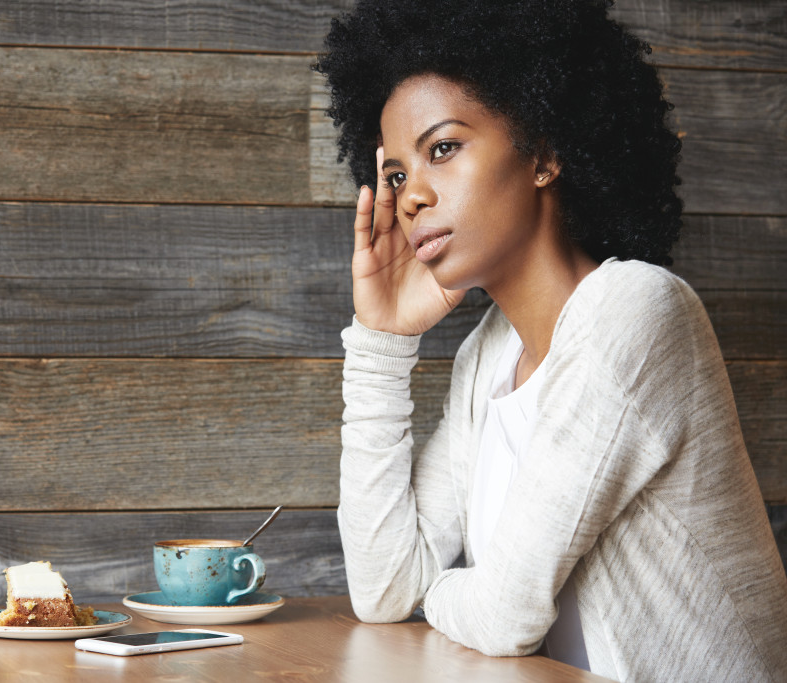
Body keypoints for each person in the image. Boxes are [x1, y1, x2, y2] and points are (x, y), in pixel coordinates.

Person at [314, 1, 787, 681]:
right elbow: (386, 588)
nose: (411, 196)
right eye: (395, 176)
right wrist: (382, 340)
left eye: (442, 148)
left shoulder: (637, 311)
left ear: (544, 153)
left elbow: (508, 614)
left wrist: (435, 593)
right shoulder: (488, 357)